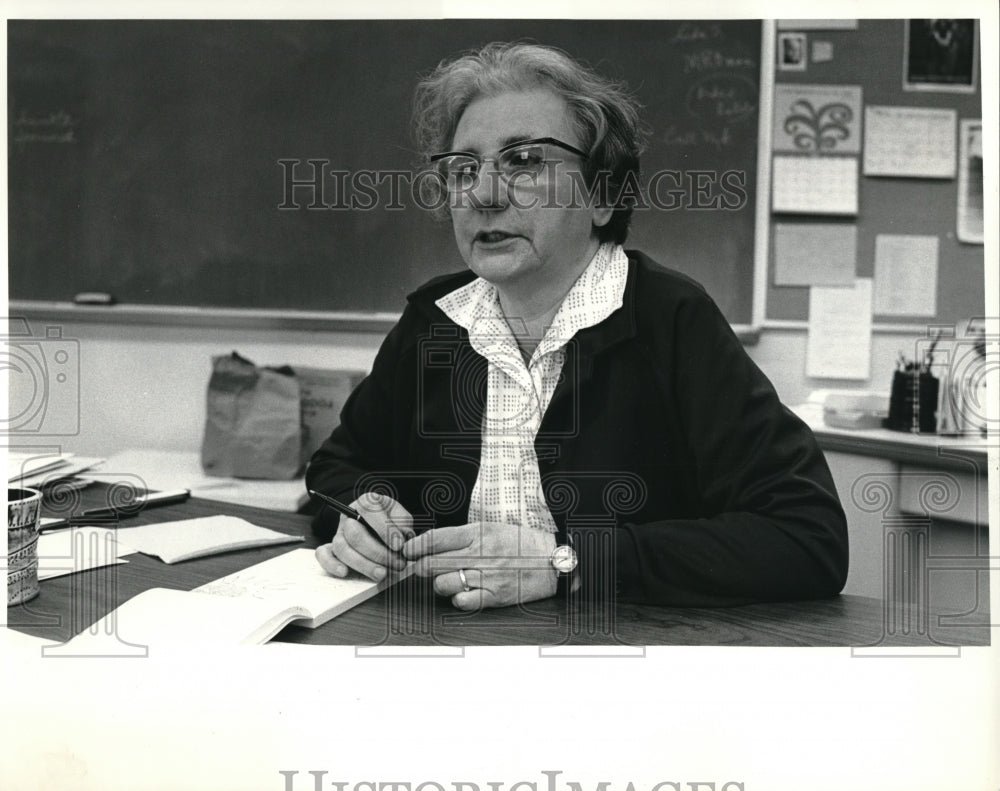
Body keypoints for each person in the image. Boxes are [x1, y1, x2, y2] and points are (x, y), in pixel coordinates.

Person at [307, 42, 849, 610]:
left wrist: (569, 562)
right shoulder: (433, 321)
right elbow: (335, 469)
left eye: (524, 161)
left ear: (602, 195)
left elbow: (807, 537)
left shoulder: (670, 320)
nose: (485, 194)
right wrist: (363, 514)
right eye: (464, 169)